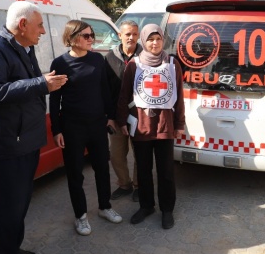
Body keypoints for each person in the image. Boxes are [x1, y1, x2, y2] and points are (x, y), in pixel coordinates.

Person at [0, 1, 67, 254]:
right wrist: (41, 84)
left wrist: (41, 83)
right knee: (5, 207)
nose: (43, 31)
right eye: (39, 25)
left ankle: (10, 250)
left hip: (24, 142)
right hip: (6, 146)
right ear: (23, 25)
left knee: (19, 204)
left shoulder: (23, 47)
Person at [49, 20, 122, 236]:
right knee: (75, 173)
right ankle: (80, 216)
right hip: (72, 127)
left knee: (102, 168)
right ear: (72, 38)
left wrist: (110, 117)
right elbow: (55, 100)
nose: (92, 39)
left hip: (97, 124)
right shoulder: (60, 63)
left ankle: (105, 206)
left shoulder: (97, 59)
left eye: (92, 35)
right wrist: (56, 129)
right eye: (87, 36)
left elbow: (104, 90)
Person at [116, 24, 185, 230]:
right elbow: (123, 95)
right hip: (141, 127)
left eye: (158, 39)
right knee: (143, 171)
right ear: (143, 41)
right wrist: (121, 121)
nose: (154, 43)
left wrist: (180, 124)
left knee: (166, 172)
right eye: (150, 39)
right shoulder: (133, 65)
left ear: (163, 40)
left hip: (165, 126)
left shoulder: (173, 64)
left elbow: (179, 96)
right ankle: (146, 206)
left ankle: (167, 210)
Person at [105, 20, 142, 202]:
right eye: (127, 34)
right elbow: (106, 90)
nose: (131, 37)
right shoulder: (110, 57)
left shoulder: (146, 56)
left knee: (140, 154)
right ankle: (124, 184)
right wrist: (109, 117)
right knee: (116, 155)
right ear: (119, 35)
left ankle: (138, 186)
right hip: (116, 116)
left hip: (140, 117)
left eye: (135, 34)